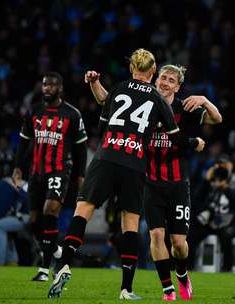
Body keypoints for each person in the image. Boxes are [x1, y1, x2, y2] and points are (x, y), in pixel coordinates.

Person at [48, 48, 188, 300]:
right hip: (134, 164)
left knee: (83, 211)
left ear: (132, 69)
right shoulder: (157, 99)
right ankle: (126, 289)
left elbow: (103, 124)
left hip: (107, 156)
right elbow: (176, 138)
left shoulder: (119, 89)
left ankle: (64, 265)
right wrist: (194, 142)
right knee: (129, 225)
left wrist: (96, 85)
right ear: (153, 71)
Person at [83, 64, 221, 300]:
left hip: (177, 183)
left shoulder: (183, 107)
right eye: (163, 78)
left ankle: (182, 273)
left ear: (178, 87)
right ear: (156, 80)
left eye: (171, 80)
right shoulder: (145, 103)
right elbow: (108, 100)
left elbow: (217, 119)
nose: (165, 83)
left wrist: (204, 100)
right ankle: (168, 290)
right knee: (156, 235)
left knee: (178, 243)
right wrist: (95, 83)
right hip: (149, 183)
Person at [12, 71, 88, 281]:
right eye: (45, 85)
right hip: (36, 172)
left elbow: (81, 149)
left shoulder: (72, 114)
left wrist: (81, 175)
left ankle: (44, 270)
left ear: (60, 88)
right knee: (35, 222)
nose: (47, 88)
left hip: (59, 170)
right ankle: (56, 252)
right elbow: (24, 142)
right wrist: (17, 167)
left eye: (52, 85)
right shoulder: (34, 111)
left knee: (50, 210)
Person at [188, 155, 235, 272]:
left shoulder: (233, 181)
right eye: (220, 165)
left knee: (227, 236)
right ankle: (188, 267)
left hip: (228, 221)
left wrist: (226, 189)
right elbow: (196, 199)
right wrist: (206, 181)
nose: (222, 168)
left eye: (225, 165)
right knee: (191, 235)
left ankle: (226, 269)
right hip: (210, 221)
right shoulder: (211, 180)